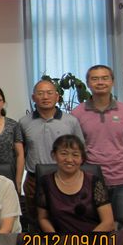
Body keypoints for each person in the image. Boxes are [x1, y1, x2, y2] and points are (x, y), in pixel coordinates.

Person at [72, 64, 123, 222]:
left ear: (112, 81)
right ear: (88, 83)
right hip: (91, 179)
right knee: (93, 225)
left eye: (105, 78)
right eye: (95, 79)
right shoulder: (77, 113)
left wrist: (120, 160)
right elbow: (75, 147)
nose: (100, 82)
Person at [19, 79, 84, 221]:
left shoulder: (70, 121)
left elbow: (80, 151)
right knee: (35, 220)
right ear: (33, 97)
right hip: (34, 180)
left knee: (65, 220)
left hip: (64, 178)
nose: (45, 97)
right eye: (40, 93)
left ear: (57, 96)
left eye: (49, 93)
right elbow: (20, 153)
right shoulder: (24, 122)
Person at [37, 134, 115, 233]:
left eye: (75, 155)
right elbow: (43, 218)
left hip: (92, 238)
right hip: (60, 240)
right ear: (54, 155)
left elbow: (108, 222)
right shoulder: (45, 182)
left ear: (82, 158)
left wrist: (85, 241)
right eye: (64, 154)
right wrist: (55, 239)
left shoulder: (94, 181)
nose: (69, 160)